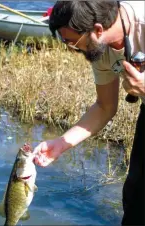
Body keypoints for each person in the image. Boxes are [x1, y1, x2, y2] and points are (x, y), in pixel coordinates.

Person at [33, 1, 145, 225]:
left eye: (74, 43)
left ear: (98, 30)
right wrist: (62, 143)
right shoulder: (99, 46)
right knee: (136, 197)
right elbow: (105, 107)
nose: (72, 49)